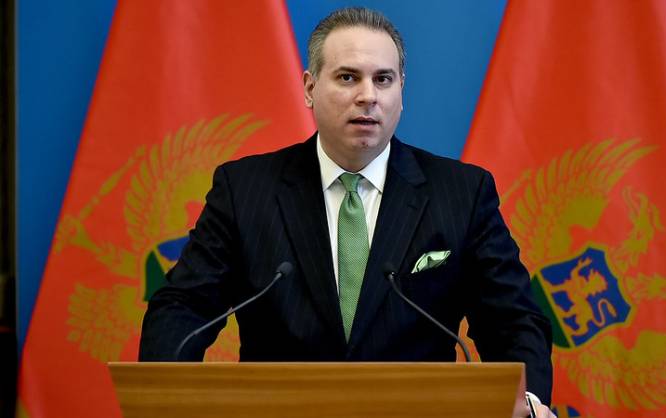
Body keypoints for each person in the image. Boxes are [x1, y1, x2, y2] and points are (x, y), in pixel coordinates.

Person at [139, 7, 554, 418]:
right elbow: (184, 306)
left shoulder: (461, 193)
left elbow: (513, 320)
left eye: (383, 79)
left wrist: (530, 403)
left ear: (401, 91)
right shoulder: (245, 189)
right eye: (348, 77)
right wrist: (163, 398)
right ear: (310, 88)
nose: (368, 96)